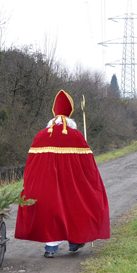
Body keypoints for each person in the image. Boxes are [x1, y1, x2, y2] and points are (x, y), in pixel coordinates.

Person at [15, 90, 110, 257]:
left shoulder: (41, 136)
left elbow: (31, 167)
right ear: (70, 116)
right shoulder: (76, 136)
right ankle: (74, 242)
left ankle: (51, 248)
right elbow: (89, 169)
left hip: (46, 185)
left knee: (51, 212)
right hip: (71, 185)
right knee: (73, 208)